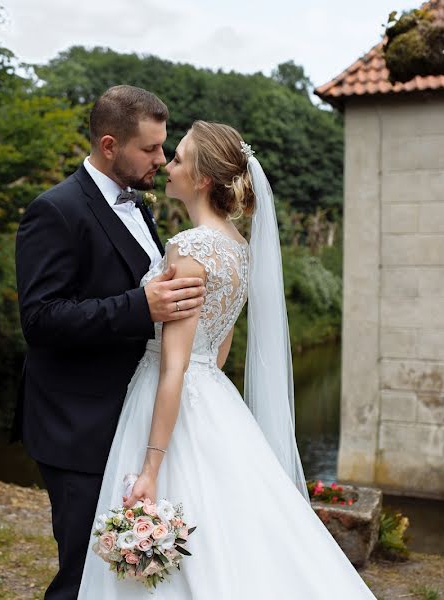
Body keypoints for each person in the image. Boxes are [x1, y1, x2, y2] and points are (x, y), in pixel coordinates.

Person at [76, 121, 376, 598]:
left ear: (203, 180)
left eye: (177, 159)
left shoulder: (190, 247)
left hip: (166, 392)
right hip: (214, 395)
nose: (166, 166)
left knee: (172, 513)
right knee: (237, 526)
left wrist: (152, 468)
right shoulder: (238, 248)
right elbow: (219, 347)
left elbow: (174, 365)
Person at [13, 85, 207, 600]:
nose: (160, 160)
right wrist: (140, 307)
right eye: (149, 149)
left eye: (164, 147)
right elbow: (40, 319)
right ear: (108, 145)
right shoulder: (54, 211)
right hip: (76, 423)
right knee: (82, 575)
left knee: (123, 577)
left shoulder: (140, 206)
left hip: (131, 414)